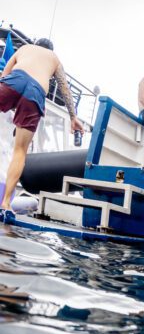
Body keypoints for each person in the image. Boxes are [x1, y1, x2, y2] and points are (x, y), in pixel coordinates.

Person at [0, 39, 84, 218]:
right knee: (20, 151)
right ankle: (5, 204)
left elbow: (4, 76)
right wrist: (73, 117)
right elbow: (64, 88)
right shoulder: (54, 59)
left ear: (36, 44)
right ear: (50, 50)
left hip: (15, 79)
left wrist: (11, 101)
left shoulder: (24, 48)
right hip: (36, 92)